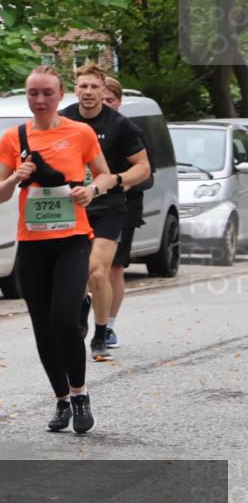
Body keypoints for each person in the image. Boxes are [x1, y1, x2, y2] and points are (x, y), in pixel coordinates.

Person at [0, 64, 114, 434]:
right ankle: (61, 399)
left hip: (72, 240)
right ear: (26, 96)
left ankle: (79, 393)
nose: (40, 100)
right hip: (32, 245)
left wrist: (91, 190)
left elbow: (105, 174)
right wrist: (16, 177)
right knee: (43, 327)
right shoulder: (13, 138)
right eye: (33, 93)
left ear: (62, 95)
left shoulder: (80, 132)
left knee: (63, 319)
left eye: (47, 93)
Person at [61, 63, 150, 361]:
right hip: (72, 206)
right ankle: (82, 306)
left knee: (97, 271)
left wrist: (118, 179)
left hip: (109, 207)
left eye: (94, 87)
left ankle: (100, 333)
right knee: (75, 272)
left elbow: (143, 167)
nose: (88, 92)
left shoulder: (119, 125)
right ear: (75, 89)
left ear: (103, 90)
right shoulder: (63, 120)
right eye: (83, 86)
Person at [102, 76, 146, 348]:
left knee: (114, 268)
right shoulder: (83, 129)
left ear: (119, 102)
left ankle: (108, 326)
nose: (105, 104)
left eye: (110, 100)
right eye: (102, 99)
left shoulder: (129, 130)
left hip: (125, 206)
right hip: (91, 205)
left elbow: (147, 172)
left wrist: (124, 182)